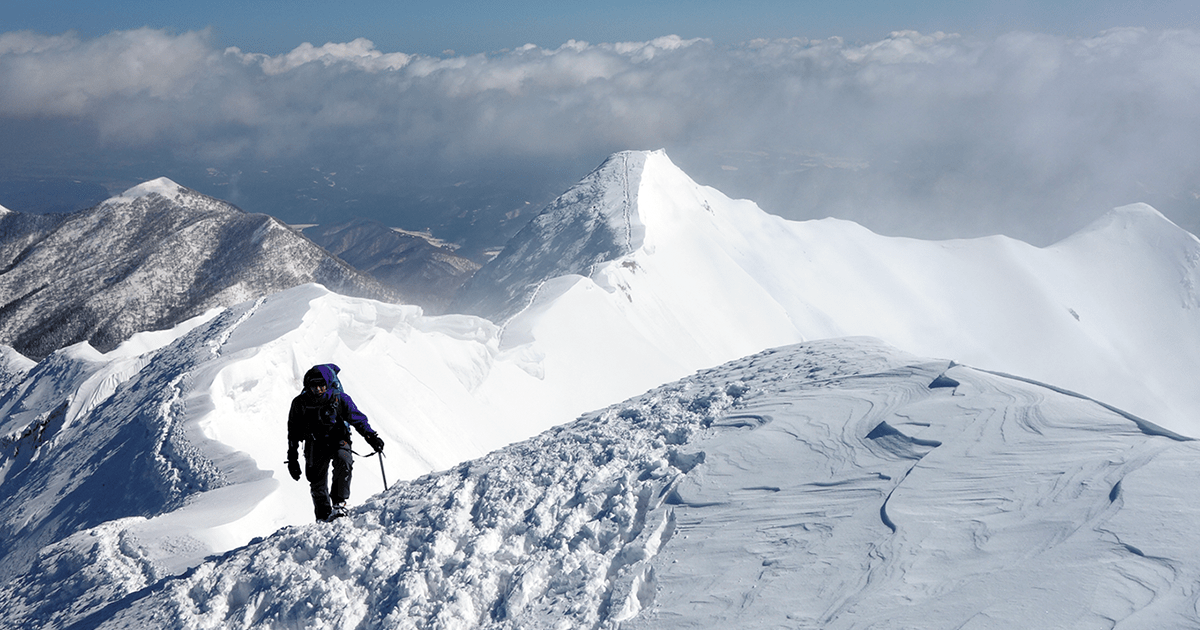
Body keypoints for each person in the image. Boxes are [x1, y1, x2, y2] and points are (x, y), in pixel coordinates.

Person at [286, 364, 385, 521]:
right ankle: (323, 515)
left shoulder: (340, 399)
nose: (318, 389)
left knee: (343, 460)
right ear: (308, 385)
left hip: (338, 439)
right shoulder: (300, 404)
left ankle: (339, 504)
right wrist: (292, 458)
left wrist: (370, 436)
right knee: (316, 481)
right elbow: (294, 431)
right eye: (314, 385)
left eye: (321, 385)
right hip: (314, 443)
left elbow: (357, 419)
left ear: (327, 383)